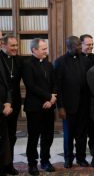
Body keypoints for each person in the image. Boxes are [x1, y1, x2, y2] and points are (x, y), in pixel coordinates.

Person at [22, 38, 57, 175]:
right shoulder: (27, 65)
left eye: (46, 48)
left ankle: (45, 161)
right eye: (43, 49)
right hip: (34, 108)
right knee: (34, 137)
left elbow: (55, 83)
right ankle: (32, 164)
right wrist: (49, 97)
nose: (46, 51)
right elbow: (31, 86)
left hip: (49, 106)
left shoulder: (49, 64)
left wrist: (52, 99)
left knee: (48, 136)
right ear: (34, 50)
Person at [54, 36, 89, 168]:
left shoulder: (84, 60)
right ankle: (68, 158)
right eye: (78, 46)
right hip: (68, 106)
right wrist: (61, 107)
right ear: (69, 47)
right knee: (69, 135)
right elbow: (57, 87)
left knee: (82, 134)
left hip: (83, 105)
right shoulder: (60, 62)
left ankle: (81, 158)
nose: (80, 48)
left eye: (80, 45)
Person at [0, 34, 23, 175]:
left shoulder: (19, 60)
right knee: (2, 137)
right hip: (1, 103)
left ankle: (9, 164)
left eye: (16, 45)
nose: (16, 48)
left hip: (14, 102)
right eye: (12, 45)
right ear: (3, 45)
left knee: (12, 136)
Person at [79, 34, 94, 151]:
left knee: (93, 125)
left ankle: (93, 146)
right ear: (81, 44)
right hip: (81, 99)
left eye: (92, 44)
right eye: (88, 45)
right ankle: (80, 148)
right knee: (81, 127)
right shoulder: (77, 58)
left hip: (93, 98)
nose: (90, 47)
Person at [0, 43, 13, 176]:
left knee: (4, 143)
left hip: (4, 107)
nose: (1, 43)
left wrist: (8, 103)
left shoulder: (1, 57)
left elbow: (7, 83)